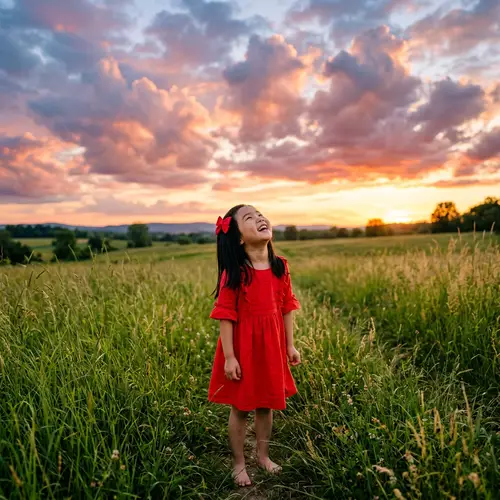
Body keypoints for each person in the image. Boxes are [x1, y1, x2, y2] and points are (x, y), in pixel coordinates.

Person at [208, 204, 301, 487]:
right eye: (250, 217)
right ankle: (238, 463)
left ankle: (263, 456)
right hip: (243, 348)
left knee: (267, 404)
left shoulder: (280, 266)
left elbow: (286, 307)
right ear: (238, 238)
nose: (260, 218)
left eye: (260, 214)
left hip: (271, 346)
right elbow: (226, 315)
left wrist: (290, 346)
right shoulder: (235, 273)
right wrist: (230, 357)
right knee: (241, 406)